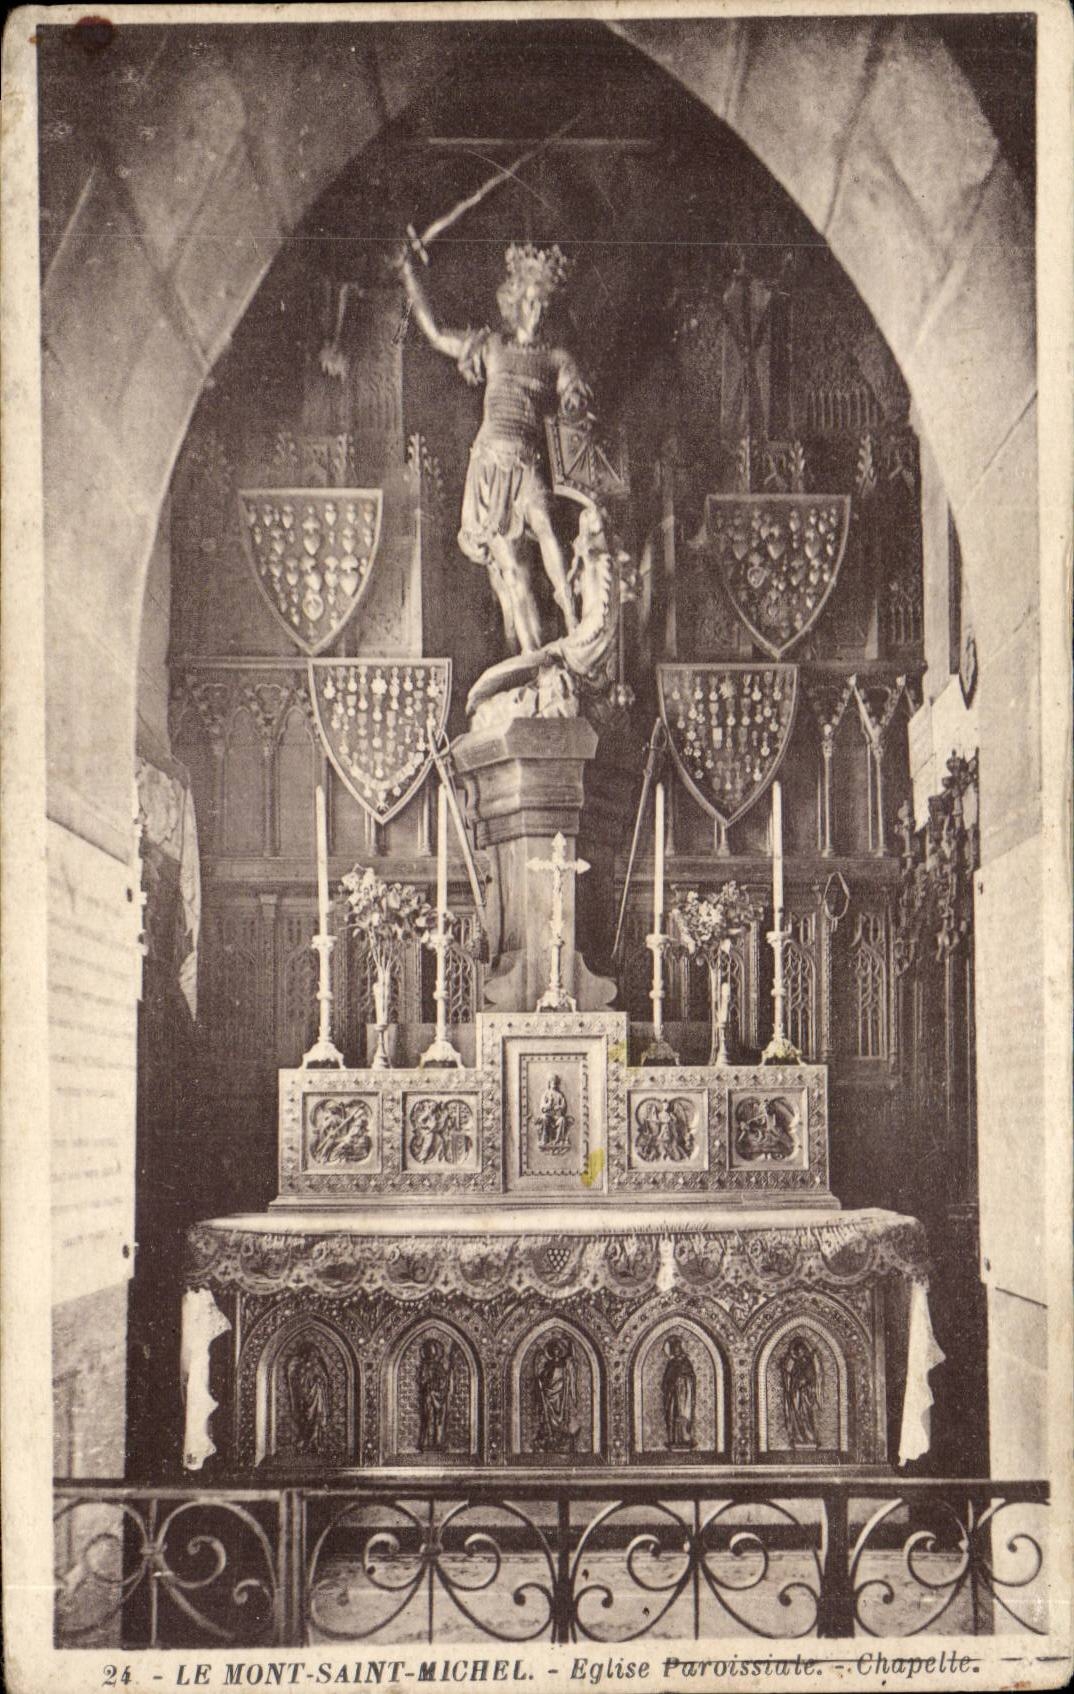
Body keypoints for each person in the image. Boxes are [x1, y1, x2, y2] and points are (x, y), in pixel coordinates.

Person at [395, 240, 591, 654]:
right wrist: (409, 275)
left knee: (546, 525)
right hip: (489, 465)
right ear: (517, 301)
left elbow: (575, 399)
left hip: (527, 462)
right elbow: (434, 333)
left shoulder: (556, 357)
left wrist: (575, 403)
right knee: (514, 570)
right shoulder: (492, 346)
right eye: (531, 302)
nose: (537, 312)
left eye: (544, 304)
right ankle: (532, 658)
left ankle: (572, 619)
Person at [661, 1335, 697, 1449]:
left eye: (677, 1348)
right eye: (673, 1349)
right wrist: (670, 1385)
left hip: (684, 1394)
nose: (675, 1351)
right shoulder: (670, 1363)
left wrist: (682, 1380)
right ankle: (674, 1439)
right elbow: (665, 1380)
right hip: (673, 1395)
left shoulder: (686, 1362)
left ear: (680, 1348)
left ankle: (685, 1439)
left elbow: (692, 1377)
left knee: (684, 1415)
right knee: (672, 1415)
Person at [535, 1073, 570, 1153]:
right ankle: (545, 1139)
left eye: (555, 1082)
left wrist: (559, 1108)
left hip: (557, 1117)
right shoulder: (546, 1094)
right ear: (549, 1083)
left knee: (562, 1120)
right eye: (552, 1082)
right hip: (549, 1117)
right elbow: (542, 1108)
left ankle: (558, 1140)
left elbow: (564, 1107)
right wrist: (549, 1104)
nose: (554, 1083)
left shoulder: (560, 1095)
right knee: (544, 1118)